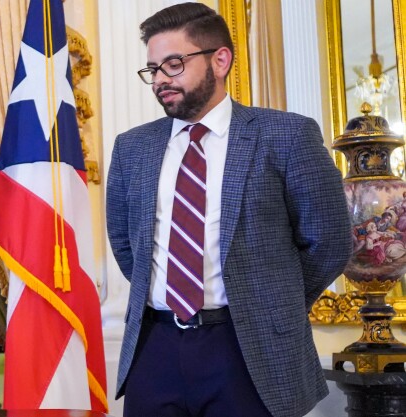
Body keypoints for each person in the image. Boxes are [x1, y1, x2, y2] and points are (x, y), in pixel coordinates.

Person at [106, 3, 352, 417]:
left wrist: (269, 300)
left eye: (174, 64)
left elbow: (328, 242)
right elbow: (126, 244)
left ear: (220, 59)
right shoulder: (133, 147)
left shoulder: (286, 135)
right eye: (153, 69)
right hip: (156, 346)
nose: (160, 80)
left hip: (247, 348)